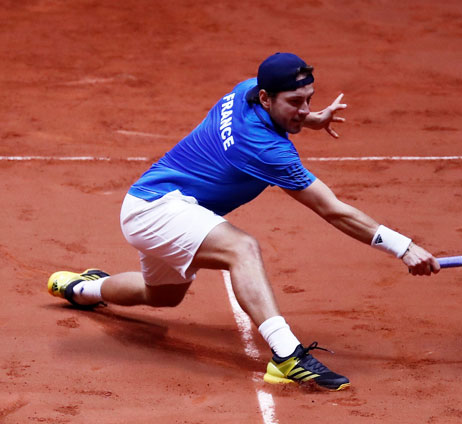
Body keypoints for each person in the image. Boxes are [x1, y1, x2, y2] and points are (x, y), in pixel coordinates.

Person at [47, 52, 440, 391]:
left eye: (310, 99)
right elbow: (332, 209)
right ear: (267, 98)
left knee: (162, 296)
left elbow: (291, 112)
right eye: (296, 103)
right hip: (158, 209)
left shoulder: (246, 89)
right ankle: (287, 356)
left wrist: (311, 119)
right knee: (242, 248)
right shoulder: (265, 148)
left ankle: (83, 290)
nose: (303, 109)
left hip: (151, 203)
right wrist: (403, 247)